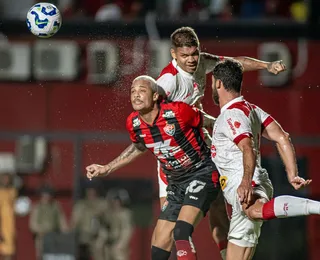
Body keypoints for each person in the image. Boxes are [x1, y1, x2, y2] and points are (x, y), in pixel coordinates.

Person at [155, 26, 286, 259]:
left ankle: (227, 255)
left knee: (216, 206)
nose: (192, 60)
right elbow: (151, 114)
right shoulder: (168, 81)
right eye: (185, 56)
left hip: (199, 151)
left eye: (194, 53)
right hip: (173, 160)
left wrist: (266, 66)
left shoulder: (203, 62)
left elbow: (234, 64)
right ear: (173, 54)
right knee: (168, 230)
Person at [86, 75, 221, 260]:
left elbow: (215, 123)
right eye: (133, 92)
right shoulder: (134, 124)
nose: (136, 95)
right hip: (176, 183)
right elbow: (139, 146)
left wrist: (230, 151)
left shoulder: (178, 112)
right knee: (158, 248)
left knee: (182, 231)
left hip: (201, 174)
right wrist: (107, 168)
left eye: (142, 91)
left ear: (156, 96)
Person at [210, 59, 319, 260]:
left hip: (247, 184)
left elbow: (247, 147)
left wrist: (245, 182)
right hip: (246, 187)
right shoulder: (250, 109)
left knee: (255, 211)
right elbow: (282, 136)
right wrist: (292, 174)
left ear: (218, 83)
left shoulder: (232, 114)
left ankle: (316, 207)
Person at [29, 185, 69, 260]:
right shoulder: (37, 207)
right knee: (41, 256)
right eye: (44, 195)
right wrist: (41, 231)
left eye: (48, 195)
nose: (46, 197)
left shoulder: (55, 206)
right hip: (41, 238)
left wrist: (66, 232)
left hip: (54, 237)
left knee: (53, 256)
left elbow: (61, 220)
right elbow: (33, 224)